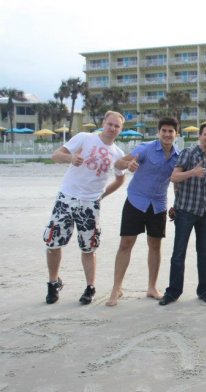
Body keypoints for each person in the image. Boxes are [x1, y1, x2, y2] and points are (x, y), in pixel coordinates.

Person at [43, 110, 126, 305]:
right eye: (110, 124)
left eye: (117, 126)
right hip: (67, 197)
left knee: (89, 247)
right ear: (103, 123)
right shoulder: (84, 138)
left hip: (90, 204)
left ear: (120, 130)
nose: (112, 128)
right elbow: (56, 155)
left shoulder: (118, 153)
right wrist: (70, 158)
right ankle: (53, 283)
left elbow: (120, 179)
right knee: (53, 243)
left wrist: (102, 195)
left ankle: (90, 287)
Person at [105, 117, 180, 306]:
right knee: (126, 243)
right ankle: (116, 288)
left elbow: (177, 182)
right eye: (164, 130)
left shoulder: (178, 156)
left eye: (171, 131)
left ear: (176, 134)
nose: (167, 134)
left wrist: (176, 205)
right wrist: (128, 165)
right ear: (158, 132)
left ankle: (152, 287)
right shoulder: (145, 148)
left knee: (155, 245)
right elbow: (119, 163)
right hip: (136, 201)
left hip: (158, 205)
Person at [159, 122, 206, 305]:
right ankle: (173, 292)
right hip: (185, 211)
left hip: (204, 212)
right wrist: (192, 172)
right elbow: (174, 177)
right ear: (200, 136)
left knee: (205, 254)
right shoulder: (188, 153)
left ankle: (204, 289)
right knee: (179, 253)